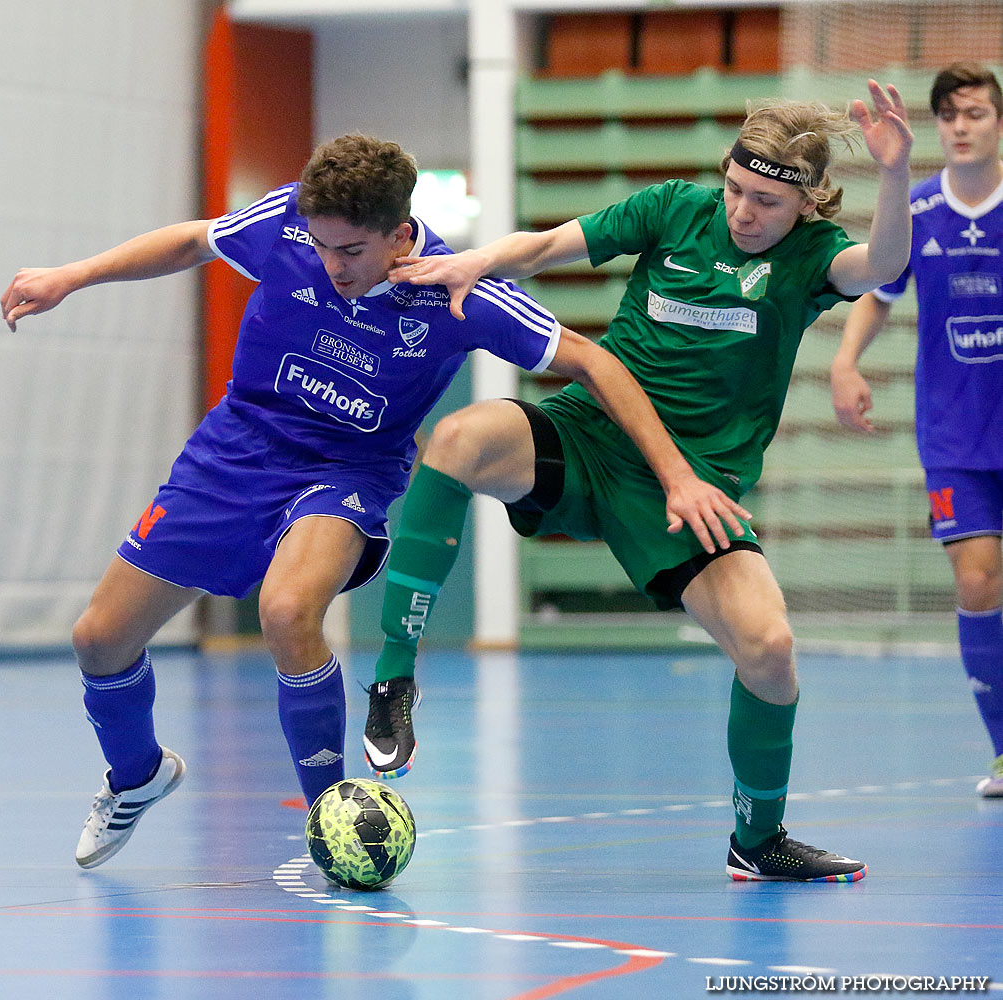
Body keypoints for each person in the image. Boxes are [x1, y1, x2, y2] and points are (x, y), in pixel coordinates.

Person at [1, 134, 745, 869]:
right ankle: (138, 777)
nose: (331, 267)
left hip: (350, 466)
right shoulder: (289, 221)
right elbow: (195, 242)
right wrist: (73, 276)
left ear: (399, 234)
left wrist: (677, 474)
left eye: (350, 252)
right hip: (238, 447)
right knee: (99, 639)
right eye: (320, 248)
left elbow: (589, 359)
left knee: (288, 612)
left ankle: (333, 823)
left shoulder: (461, 291)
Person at [367, 81, 913, 882]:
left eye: (764, 201)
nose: (741, 212)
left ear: (804, 205)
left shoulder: (809, 260)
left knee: (768, 650)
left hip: (694, 486)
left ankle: (756, 839)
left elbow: (886, 263)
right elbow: (550, 244)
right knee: (460, 438)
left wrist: (897, 176)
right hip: (592, 436)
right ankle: (394, 676)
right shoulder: (671, 210)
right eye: (733, 188)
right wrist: (478, 257)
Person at [830, 64, 1003, 799]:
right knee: (977, 581)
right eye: (949, 115)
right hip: (955, 437)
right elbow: (878, 292)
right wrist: (844, 362)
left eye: (976, 112)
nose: (961, 125)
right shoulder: (922, 208)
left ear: (998, 122)